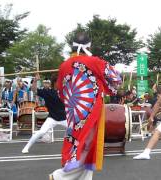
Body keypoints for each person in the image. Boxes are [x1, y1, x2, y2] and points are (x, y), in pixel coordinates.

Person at [49, 32, 121, 180]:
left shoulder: (63, 66)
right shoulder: (94, 61)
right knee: (86, 146)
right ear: (88, 46)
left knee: (80, 146)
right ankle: (59, 176)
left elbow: (61, 92)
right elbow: (116, 77)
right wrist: (104, 84)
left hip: (73, 111)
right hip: (90, 111)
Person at [22, 74, 67, 154]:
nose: (61, 83)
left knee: (77, 130)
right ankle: (26, 147)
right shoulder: (47, 92)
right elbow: (34, 90)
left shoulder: (65, 92)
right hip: (52, 118)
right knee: (41, 132)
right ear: (54, 83)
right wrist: (35, 80)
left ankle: (84, 147)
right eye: (59, 82)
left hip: (64, 118)